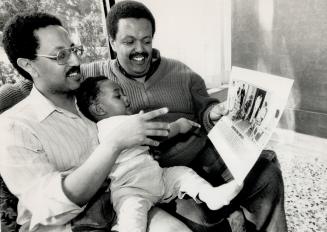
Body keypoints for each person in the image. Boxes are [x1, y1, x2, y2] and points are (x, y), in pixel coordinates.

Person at [81, 1, 287, 231]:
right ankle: (231, 215)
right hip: (156, 171)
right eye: (129, 42)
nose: (140, 50)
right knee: (203, 220)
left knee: (266, 176)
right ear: (112, 42)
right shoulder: (96, 77)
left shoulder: (182, 73)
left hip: (204, 153)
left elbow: (206, 109)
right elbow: (46, 74)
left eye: (146, 41)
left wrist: (213, 113)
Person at [0, 12, 194, 232]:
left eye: (74, 50)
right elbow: (50, 208)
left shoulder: (92, 97)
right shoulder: (13, 127)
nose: (76, 61)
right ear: (29, 66)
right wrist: (114, 144)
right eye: (61, 55)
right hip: (70, 224)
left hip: (125, 199)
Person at [75, 76, 242, 232]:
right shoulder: (115, 125)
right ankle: (209, 195)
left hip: (156, 176)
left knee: (183, 174)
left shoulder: (107, 127)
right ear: (99, 109)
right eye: (118, 96)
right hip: (131, 189)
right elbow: (158, 132)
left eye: (124, 94)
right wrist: (178, 126)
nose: (126, 99)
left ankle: (210, 195)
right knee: (132, 218)